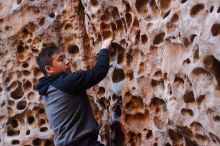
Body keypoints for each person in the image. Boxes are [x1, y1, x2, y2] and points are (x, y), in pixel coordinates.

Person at [36, 38, 112, 146]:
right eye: (61, 59)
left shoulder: (47, 89)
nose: (67, 62)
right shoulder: (66, 83)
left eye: (65, 57)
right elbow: (99, 71)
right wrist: (105, 48)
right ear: (49, 69)